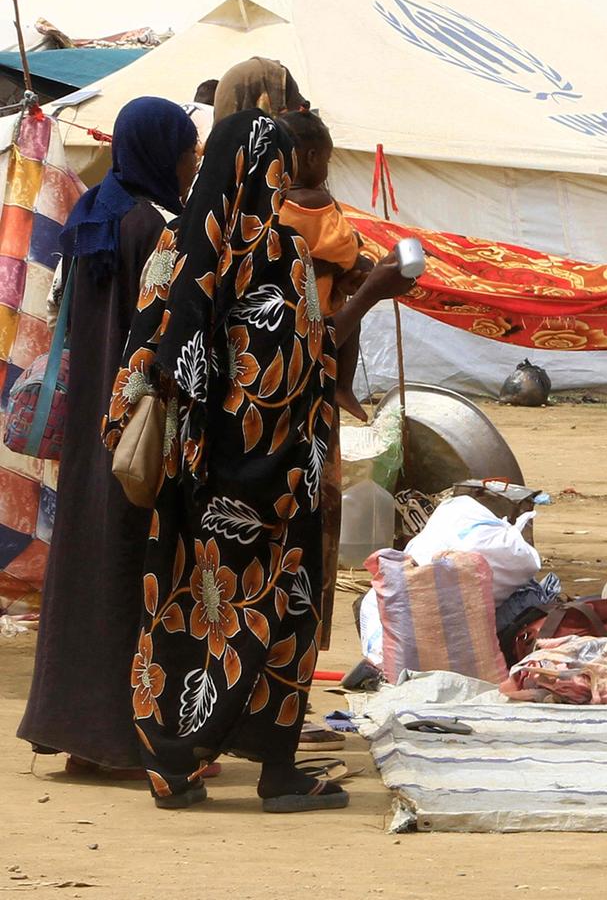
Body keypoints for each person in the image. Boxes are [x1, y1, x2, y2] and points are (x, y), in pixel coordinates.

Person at [106, 59, 413, 812]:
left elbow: (139, 365)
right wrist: (374, 291)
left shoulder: (177, 251)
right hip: (282, 487)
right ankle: (276, 770)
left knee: (192, 615)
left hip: (198, 484)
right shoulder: (282, 256)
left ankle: (175, 761)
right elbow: (312, 361)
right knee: (284, 617)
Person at [16, 98, 200, 780]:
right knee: (131, 572)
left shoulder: (94, 212)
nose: (191, 164)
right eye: (186, 152)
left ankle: (74, 729)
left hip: (91, 429)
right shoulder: (147, 227)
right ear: (160, 152)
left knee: (85, 569)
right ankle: (123, 739)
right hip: (132, 430)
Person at [274, 109, 373, 419]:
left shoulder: (272, 202)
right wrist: (356, 255)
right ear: (313, 157)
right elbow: (344, 248)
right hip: (317, 307)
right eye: (328, 162)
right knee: (350, 319)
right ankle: (344, 386)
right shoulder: (317, 202)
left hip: (280, 316)